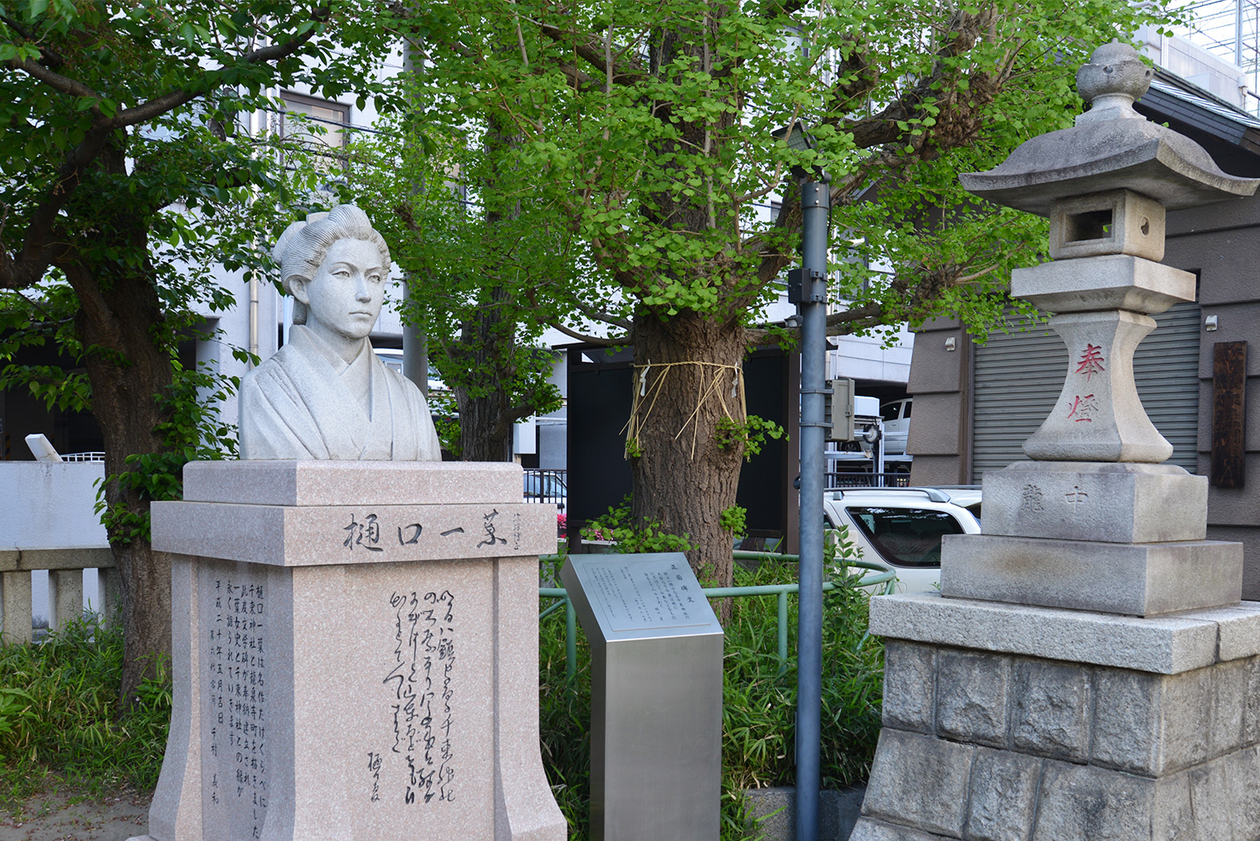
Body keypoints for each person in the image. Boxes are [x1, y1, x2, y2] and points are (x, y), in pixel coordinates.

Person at [238, 205, 442, 460]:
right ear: (301, 287)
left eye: (375, 278)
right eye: (344, 273)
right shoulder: (264, 388)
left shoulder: (408, 396)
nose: (364, 294)